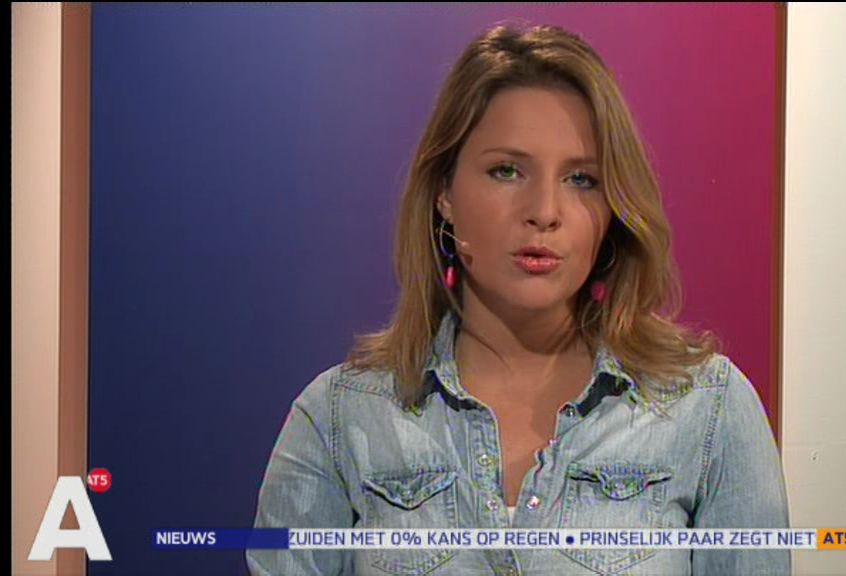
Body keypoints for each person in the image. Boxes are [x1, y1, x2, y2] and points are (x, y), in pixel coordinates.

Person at [246, 22, 790, 576]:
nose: (544, 211)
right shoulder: (339, 417)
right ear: (444, 194)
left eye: (581, 179)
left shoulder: (708, 407)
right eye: (506, 171)